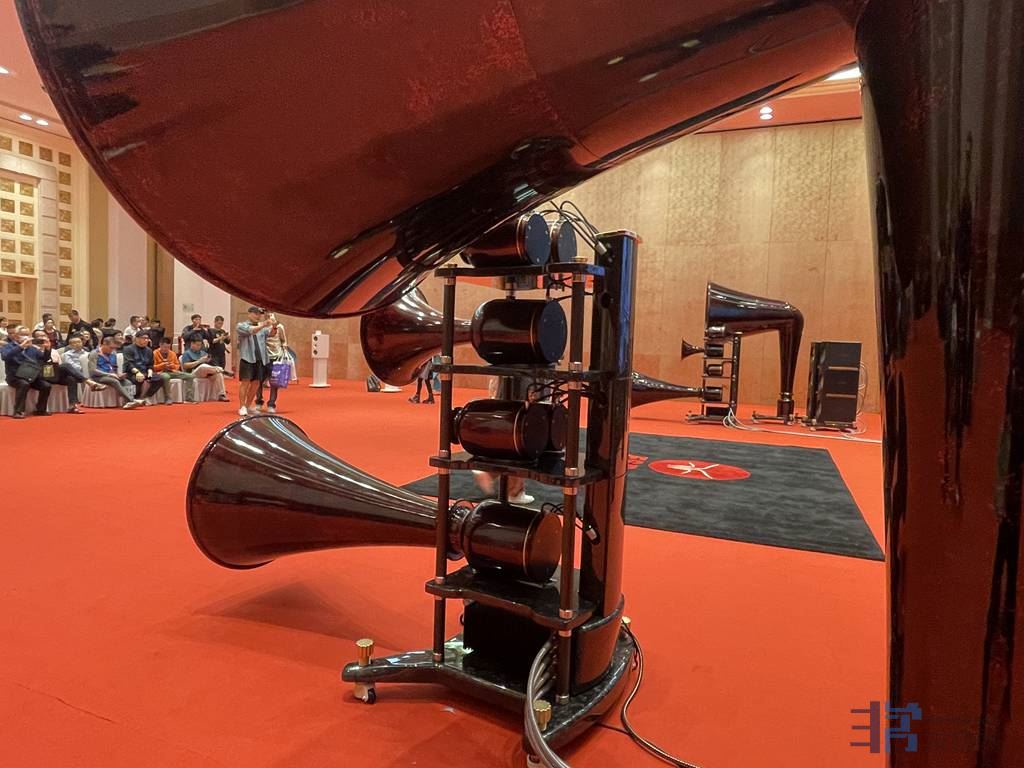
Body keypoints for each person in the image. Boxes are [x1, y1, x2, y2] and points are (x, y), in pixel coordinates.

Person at [2, 325, 52, 418]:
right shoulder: (8, 346)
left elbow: (44, 359)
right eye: (23, 334)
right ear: (16, 336)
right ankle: (19, 411)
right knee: (24, 384)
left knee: (46, 386)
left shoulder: (32, 348)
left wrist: (47, 349)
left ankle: (41, 410)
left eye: (27, 335)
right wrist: (21, 347)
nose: (25, 337)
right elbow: (6, 357)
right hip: (15, 377)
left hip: (30, 375)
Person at [88, 336, 143, 409]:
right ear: (104, 344)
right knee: (114, 381)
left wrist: (119, 374)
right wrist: (109, 374)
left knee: (128, 382)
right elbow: (92, 370)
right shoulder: (94, 353)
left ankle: (127, 403)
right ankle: (131, 400)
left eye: (114, 348)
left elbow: (114, 367)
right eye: (111, 348)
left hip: (112, 375)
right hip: (98, 377)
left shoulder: (113, 353)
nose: (112, 350)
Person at [235, 306, 272, 416]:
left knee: (256, 383)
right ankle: (242, 406)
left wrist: (274, 325)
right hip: (247, 358)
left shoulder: (261, 327)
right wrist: (264, 324)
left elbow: (271, 333)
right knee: (245, 383)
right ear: (249, 313)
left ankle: (248, 406)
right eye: (256, 313)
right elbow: (251, 331)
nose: (258, 316)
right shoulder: (241, 325)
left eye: (259, 314)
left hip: (260, 359)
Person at [122, 331, 170, 403]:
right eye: (144, 338)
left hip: (145, 372)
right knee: (138, 379)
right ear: (137, 339)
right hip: (132, 372)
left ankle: (146, 396)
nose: (146, 340)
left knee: (160, 378)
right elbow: (129, 364)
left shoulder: (149, 350)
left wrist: (150, 372)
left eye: (147, 338)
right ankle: (136, 398)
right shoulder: (128, 349)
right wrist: (137, 372)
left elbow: (150, 364)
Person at [254, 313, 287, 413]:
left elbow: (284, 341)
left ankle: (271, 404)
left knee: (274, 382)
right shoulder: (260, 325)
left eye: (270, 314)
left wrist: (284, 353)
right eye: (266, 314)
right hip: (262, 357)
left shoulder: (279, 326)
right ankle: (258, 402)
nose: (268, 315)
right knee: (258, 380)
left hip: (275, 357)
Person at [180, 337, 230, 401]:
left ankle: (221, 395)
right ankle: (220, 369)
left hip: (206, 373)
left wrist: (208, 360)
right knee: (203, 366)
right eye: (197, 345)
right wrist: (199, 361)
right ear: (192, 344)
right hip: (193, 373)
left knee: (218, 374)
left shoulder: (202, 353)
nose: (199, 347)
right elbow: (185, 366)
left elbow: (209, 363)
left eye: (200, 345)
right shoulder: (187, 353)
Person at [153, 336, 197, 403]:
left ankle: (189, 398)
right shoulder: (155, 353)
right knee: (166, 377)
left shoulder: (172, 353)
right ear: (160, 345)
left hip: (172, 371)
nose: (166, 349)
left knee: (190, 376)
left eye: (168, 347)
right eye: (165, 347)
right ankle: (168, 398)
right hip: (160, 372)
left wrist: (172, 366)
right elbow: (153, 367)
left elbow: (177, 366)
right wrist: (162, 365)